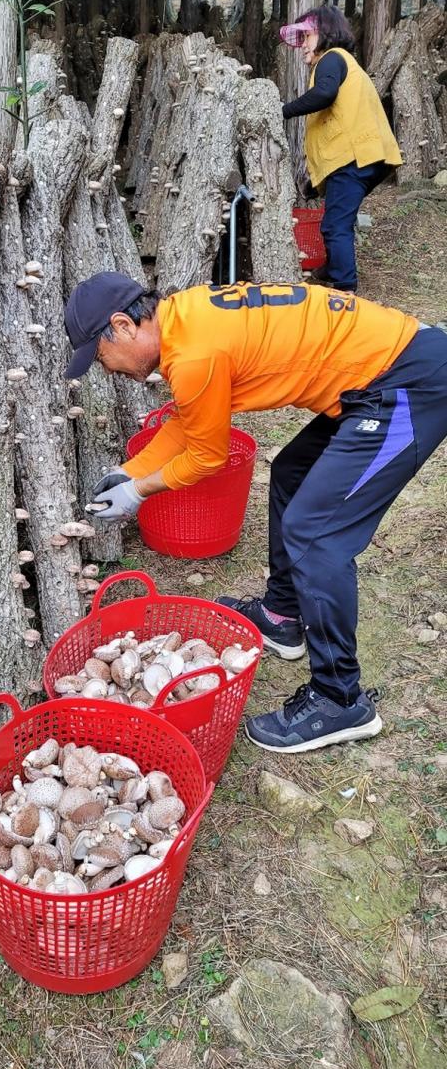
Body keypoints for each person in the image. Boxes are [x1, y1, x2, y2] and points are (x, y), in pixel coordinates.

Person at [63, 271, 447, 754]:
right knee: (292, 473)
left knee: (315, 533)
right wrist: (130, 471)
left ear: (122, 325)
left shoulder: (193, 353)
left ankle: (340, 698)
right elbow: (190, 419)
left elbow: (207, 456)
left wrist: (139, 491)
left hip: (408, 383)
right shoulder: (186, 318)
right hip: (382, 373)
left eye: (101, 356)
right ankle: (281, 616)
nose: (107, 369)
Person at [280, 5, 402, 293]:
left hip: (353, 158)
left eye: (307, 37)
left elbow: (324, 94)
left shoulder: (331, 58)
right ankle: (330, 270)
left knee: (336, 226)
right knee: (335, 220)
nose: (302, 46)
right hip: (362, 157)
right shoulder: (341, 63)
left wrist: (282, 111)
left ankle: (346, 291)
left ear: (324, 33)